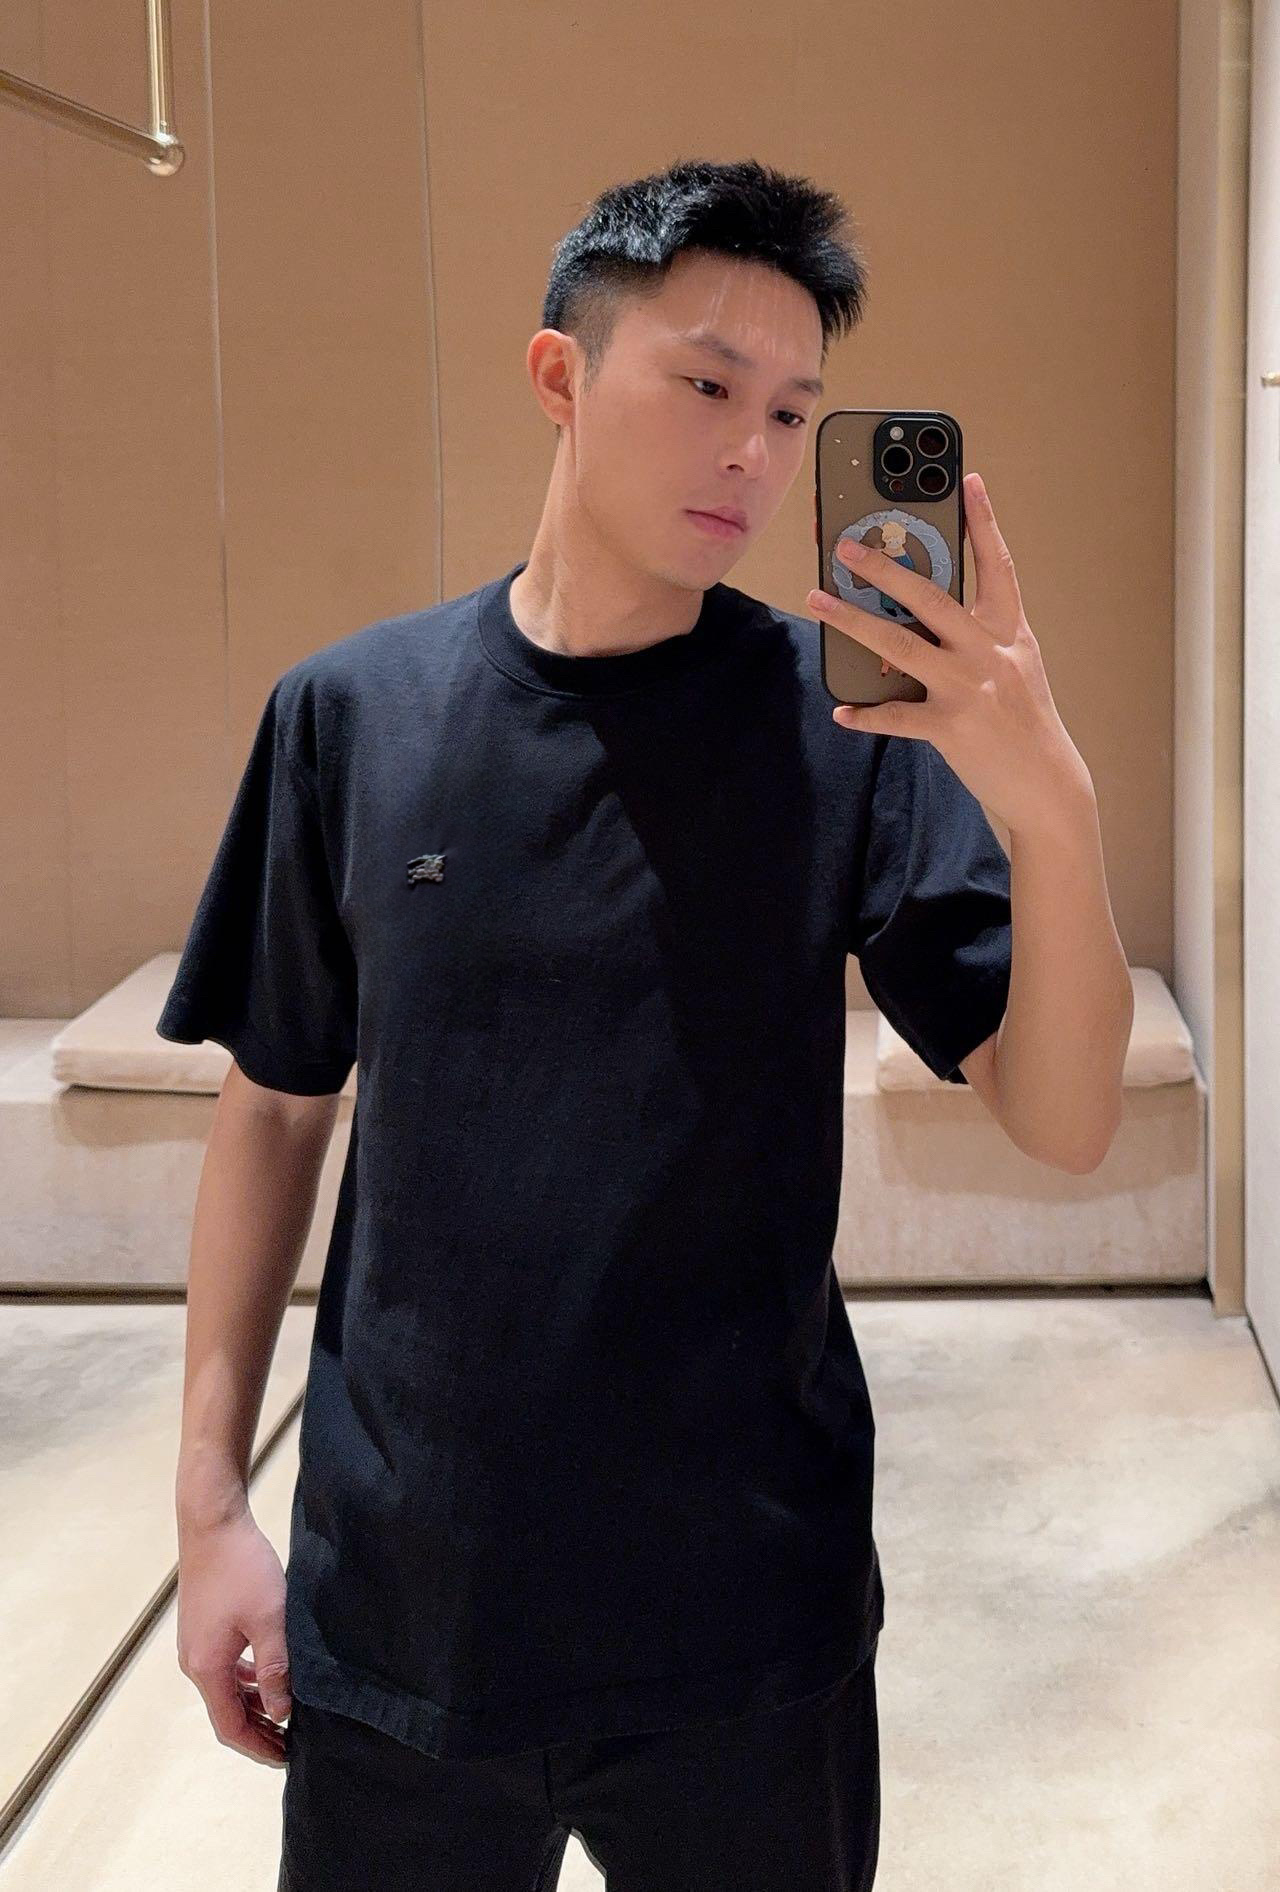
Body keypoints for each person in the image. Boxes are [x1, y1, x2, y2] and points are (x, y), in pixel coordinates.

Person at [161, 156, 1076, 1892]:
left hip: (749, 1620)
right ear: (561, 376)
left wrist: (1056, 808)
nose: (755, 452)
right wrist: (210, 1509)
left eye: (793, 411)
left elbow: (1061, 1113)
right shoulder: (353, 713)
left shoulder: (842, 732)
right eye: (708, 386)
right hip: (405, 1605)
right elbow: (275, 1103)